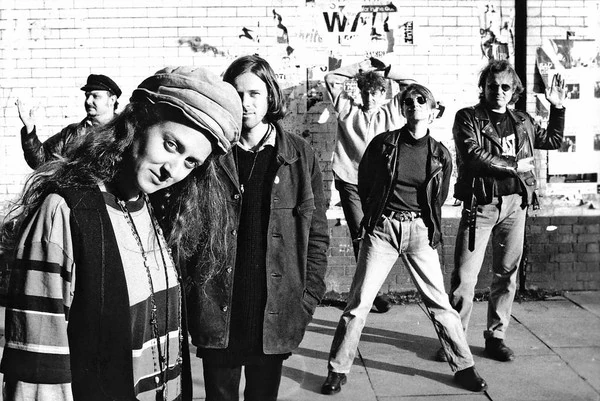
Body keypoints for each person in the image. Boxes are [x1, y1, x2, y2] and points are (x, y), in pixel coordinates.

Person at [0, 66, 242, 401]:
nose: (172, 170)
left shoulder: (157, 209)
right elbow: (38, 367)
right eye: (171, 144)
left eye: (190, 163)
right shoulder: (65, 212)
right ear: (138, 121)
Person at [321, 83, 488, 395]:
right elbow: (364, 182)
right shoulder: (383, 144)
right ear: (402, 109)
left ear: (433, 111)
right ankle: (337, 370)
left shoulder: (440, 153)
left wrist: (423, 224)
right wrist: (375, 218)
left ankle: (464, 366)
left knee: (439, 303)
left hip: (419, 233)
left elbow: (439, 196)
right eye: (408, 100)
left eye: (421, 100)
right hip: (383, 231)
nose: (414, 104)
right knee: (359, 303)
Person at [182, 54, 329, 401]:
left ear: (270, 96)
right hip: (218, 305)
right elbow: (186, 230)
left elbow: (317, 234)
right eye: (237, 93)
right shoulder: (210, 153)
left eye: (254, 94)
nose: (246, 103)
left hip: (273, 309)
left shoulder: (299, 156)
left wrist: (307, 298)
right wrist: (192, 296)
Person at [448, 60, 565, 363]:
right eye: (492, 86)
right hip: (481, 206)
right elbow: (472, 155)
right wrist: (514, 165)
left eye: (505, 87)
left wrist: (557, 108)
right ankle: (455, 340)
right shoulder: (469, 118)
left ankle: (496, 337)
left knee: (506, 275)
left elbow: (553, 140)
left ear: (514, 90)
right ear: (483, 87)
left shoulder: (522, 120)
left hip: (515, 205)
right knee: (465, 278)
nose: (498, 91)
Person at [325, 56, 416, 313]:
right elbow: (331, 78)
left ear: (383, 93)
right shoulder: (348, 109)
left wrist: (387, 70)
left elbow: (411, 85)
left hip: (379, 185)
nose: (369, 98)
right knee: (360, 236)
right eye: (365, 92)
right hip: (350, 180)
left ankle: (367, 292)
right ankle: (369, 295)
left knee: (376, 236)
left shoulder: (391, 112)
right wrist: (360, 68)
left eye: (375, 93)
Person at [17, 73, 122, 169]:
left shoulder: (125, 131)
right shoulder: (71, 133)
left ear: (112, 100)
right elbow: (41, 161)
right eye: (87, 96)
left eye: (95, 96)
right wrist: (29, 130)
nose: (88, 101)